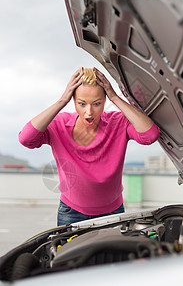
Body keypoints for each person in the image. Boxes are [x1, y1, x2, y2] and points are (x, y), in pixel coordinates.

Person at [19, 67, 160, 226]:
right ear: (73, 101)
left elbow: (150, 135)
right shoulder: (59, 124)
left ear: (105, 101)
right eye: (82, 103)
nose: (89, 112)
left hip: (112, 213)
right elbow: (26, 139)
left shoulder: (118, 122)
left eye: (97, 103)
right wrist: (61, 101)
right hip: (71, 213)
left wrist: (115, 97)